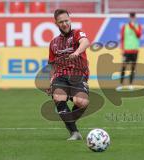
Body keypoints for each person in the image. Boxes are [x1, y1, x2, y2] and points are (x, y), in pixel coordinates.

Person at [48, 9, 90, 140]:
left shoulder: (77, 33)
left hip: (78, 74)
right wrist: (51, 80)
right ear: (56, 24)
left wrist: (77, 52)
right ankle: (74, 132)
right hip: (60, 75)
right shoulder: (53, 43)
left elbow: (85, 42)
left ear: (70, 19)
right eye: (61, 22)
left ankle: (70, 121)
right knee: (58, 97)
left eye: (66, 20)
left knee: (81, 102)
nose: (65, 24)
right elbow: (53, 64)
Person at [116, 12, 142, 91]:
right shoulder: (125, 27)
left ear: (135, 18)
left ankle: (130, 84)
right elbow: (122, 38)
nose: (132, 18)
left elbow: (139, 35)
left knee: (133, 68)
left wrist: (133, 27)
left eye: (134, 17)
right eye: (131, 17)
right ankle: (121, 84)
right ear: (129, 18)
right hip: (126, 51)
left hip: (135, 51)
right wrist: (122, 49)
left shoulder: (138, 26)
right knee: (123, 67)